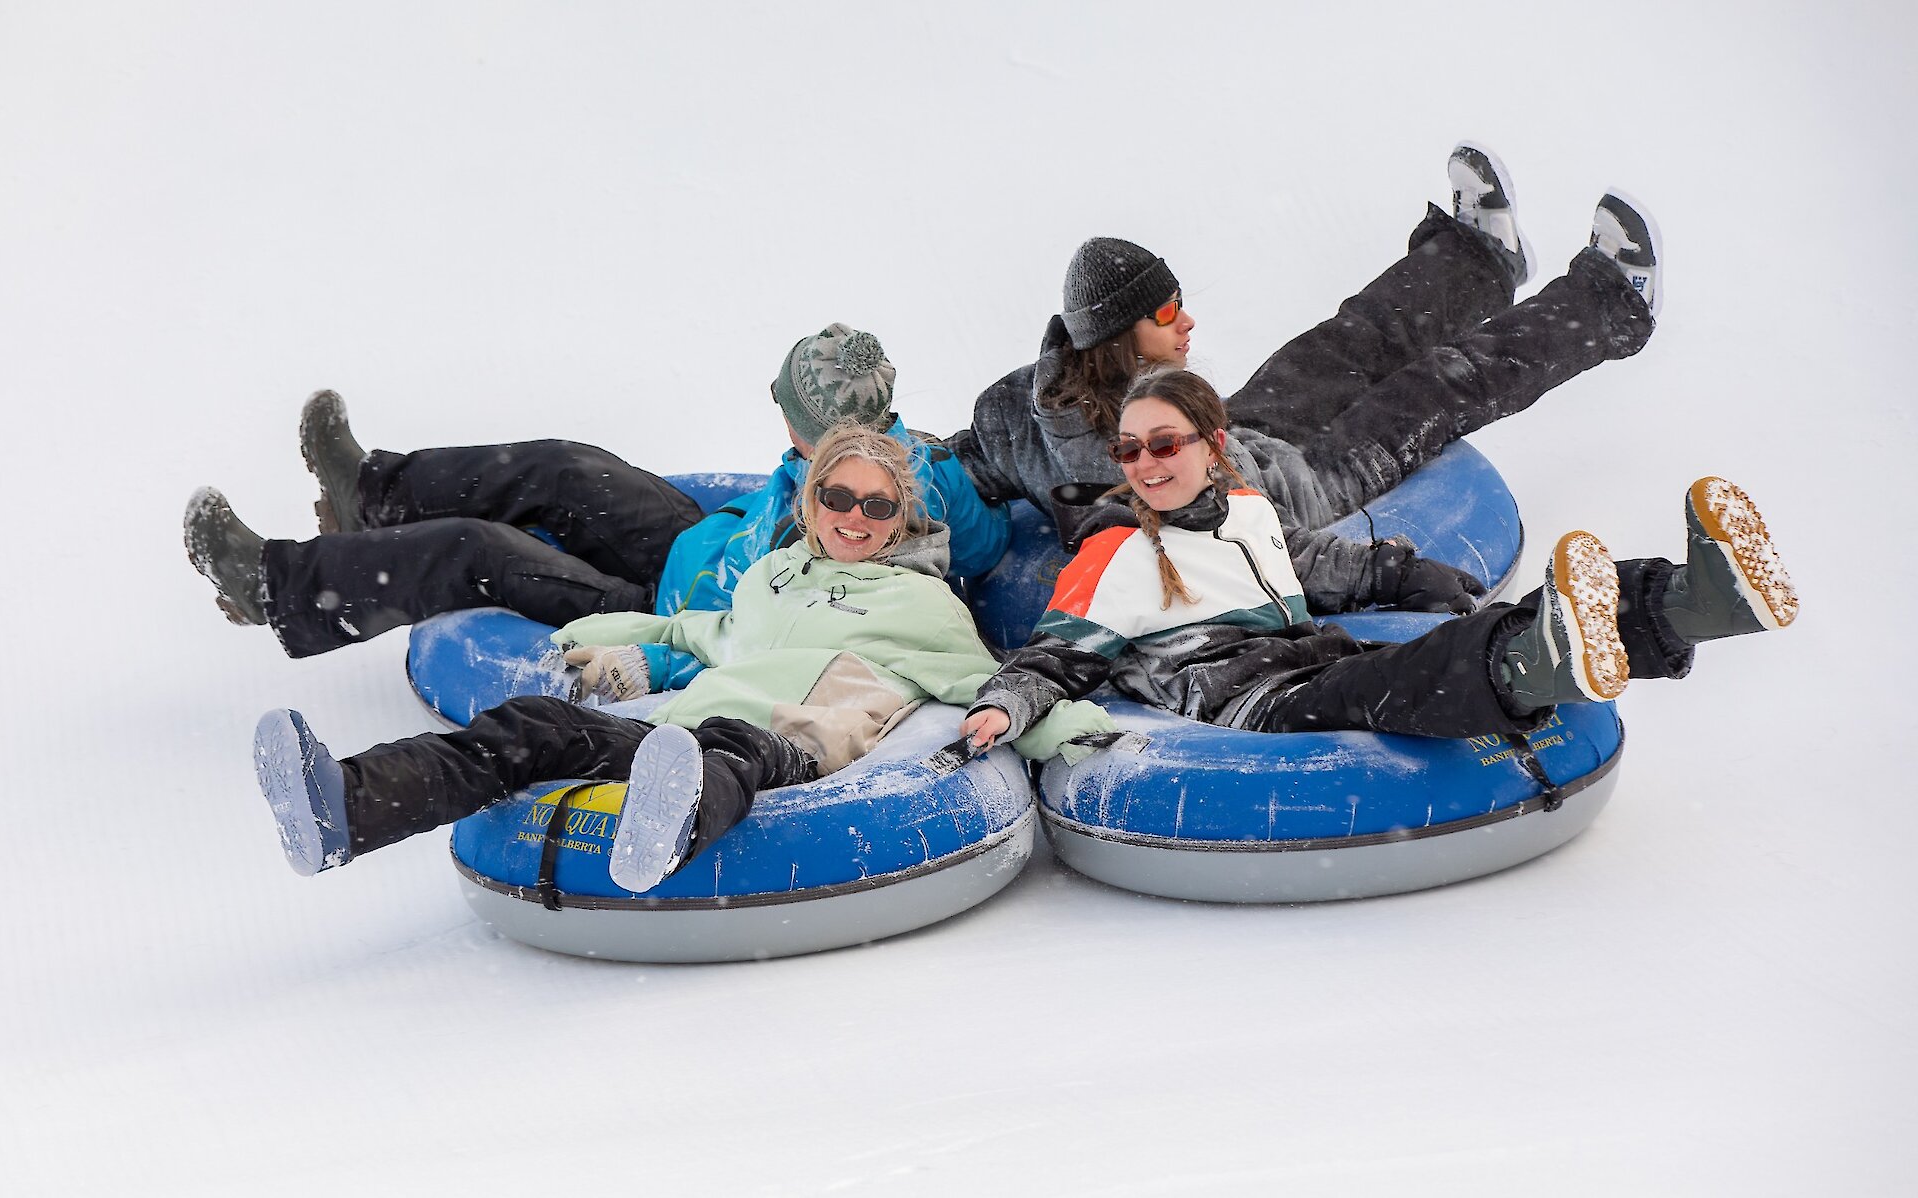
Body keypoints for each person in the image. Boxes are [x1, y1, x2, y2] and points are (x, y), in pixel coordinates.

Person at [254, 424, 1112, 893]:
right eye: (838, 496)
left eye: (877, 504)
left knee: (724, 751)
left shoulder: (923, 604)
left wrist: (1082, 734)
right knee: (534, 725)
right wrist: (609, 641)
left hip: (794, 739)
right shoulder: (773, 577)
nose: (856, 515)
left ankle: (664, 838)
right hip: (677, 725)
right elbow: (705, 636)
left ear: (901, 518)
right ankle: (347, 806)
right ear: (811, 503)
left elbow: (986, 682)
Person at [957, 370, 1797, 755]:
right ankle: (1546, 656)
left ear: (1214, 446)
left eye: (1164, 443)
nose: (1143, 462)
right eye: (1129, 447)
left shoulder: (1249, 512)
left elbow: (1322, 565)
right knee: (1419, 675)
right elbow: (1055, 654)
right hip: (1256, 708)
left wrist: (1403, 574)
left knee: (1454, 640)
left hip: (1318, 662)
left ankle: (1694, 601)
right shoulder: (1118, 550)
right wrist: (1003, 705)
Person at [185, 324, 1009, 692]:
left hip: (665, 613)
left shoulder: (864, 505)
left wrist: (934, 500)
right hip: (702, 544)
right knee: (566, 469)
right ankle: (367, 493)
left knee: (479, 552)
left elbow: (775, 643)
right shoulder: (880, 455)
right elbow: (981, 529)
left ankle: (273, 586)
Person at [947, 143, 1662, 548]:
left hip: (1241, 432)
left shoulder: (1020, 405)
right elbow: (1250, 547)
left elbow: (956, 464)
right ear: (1112, 337)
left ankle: (1477, 258)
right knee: (1446, 383)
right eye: (1167, 313)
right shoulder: (1144, 482)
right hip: (1305, 490)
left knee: (1345, 342)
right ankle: (1614, 301)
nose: (1186, 324)